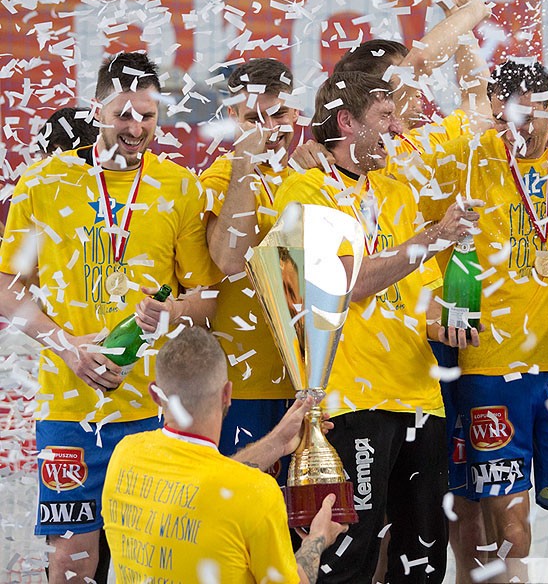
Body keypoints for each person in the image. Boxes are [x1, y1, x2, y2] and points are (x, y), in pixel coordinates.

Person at [0, 51, 221, 582]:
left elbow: (208, 299)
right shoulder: (45, 181)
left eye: (147, 115)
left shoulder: (179, 186)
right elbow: (8, 287)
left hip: (156, 410)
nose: (135, 127)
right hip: (69, 408)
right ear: (97, 107)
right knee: (72, 562)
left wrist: (171, 312)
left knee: (153, 559)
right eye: (123, 114)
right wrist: (66, 346)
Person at [419, 59, 548, 579]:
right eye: (503, 119)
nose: (515, 131)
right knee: (510, 534)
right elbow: (388, 184)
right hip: (490, 372)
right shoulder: (464, 158)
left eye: (527, 117)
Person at [274, 71, 478, 583]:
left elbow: (422, 296)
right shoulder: (305, 189)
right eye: (385, 117)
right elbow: (345, 281)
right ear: (347, 121)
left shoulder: (396, 191)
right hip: (351, 400)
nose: (397, 127)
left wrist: (450, 325)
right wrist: (432, 237)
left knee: (423, 560)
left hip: (420, 397)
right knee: (350, 559)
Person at [102, 326, 347, 583]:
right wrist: (317, 540)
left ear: (155, 393)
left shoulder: (124, 455)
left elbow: (201, 486)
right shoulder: (257, 493)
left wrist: (276, 442)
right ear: (227, 394)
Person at [202, 58, 301, 478]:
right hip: (247, 387)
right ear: (232, 116)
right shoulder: (220, 178)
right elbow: (228, 260)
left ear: (297, 111)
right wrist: (245, 162)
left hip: (313, 384)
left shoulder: (311, 174)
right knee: (248, 506)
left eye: (279, 115)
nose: (269, 130)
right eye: (254, 119)